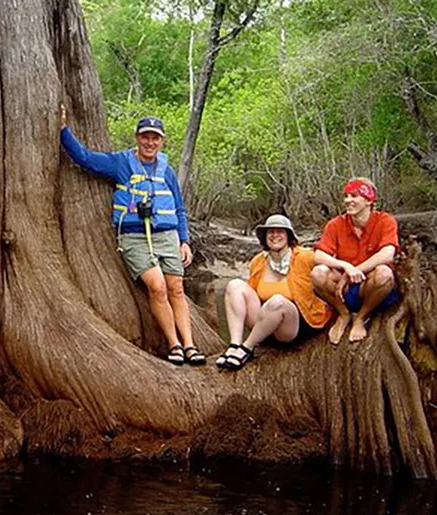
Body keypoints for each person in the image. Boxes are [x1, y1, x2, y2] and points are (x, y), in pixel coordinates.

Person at [59, 105, 205, 366]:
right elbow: (85, 158)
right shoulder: (121, 162)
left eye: (155, 138)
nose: (150, 142)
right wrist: (63, 131)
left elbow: (179, 208)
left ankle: (190, 345)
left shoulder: (166, 170)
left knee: (177, 288)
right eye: (145, 136)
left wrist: (184, 240)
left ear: (161, 141)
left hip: (167, 236)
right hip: (135, 237)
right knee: (157, 287)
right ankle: (174, 345)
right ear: (137, 138)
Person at [216, 215, 332, 370]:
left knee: (277, 301)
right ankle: (234, 345)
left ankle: (247, 348)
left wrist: (348, 268)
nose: (275, 235)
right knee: (234, 285)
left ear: (288, 236)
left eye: (280, 231)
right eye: (270, 231)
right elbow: (251, 295)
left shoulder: (305, 256)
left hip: (294, 326)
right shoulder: (258, 261)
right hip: (265, 324)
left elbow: (329, 268)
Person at [311, 177, 400, 344]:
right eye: (346, 196)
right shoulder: (336, 224)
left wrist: (356, 269)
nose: (348, 201)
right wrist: (345, 267)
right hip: (344, 290)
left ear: (369, 201)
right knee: (318, 273)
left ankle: (361, 318)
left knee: (384, 273)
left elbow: (387, 254)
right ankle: (343, 314)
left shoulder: (385, 221)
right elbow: (318, 256)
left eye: (354, 196)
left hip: (372, 287)